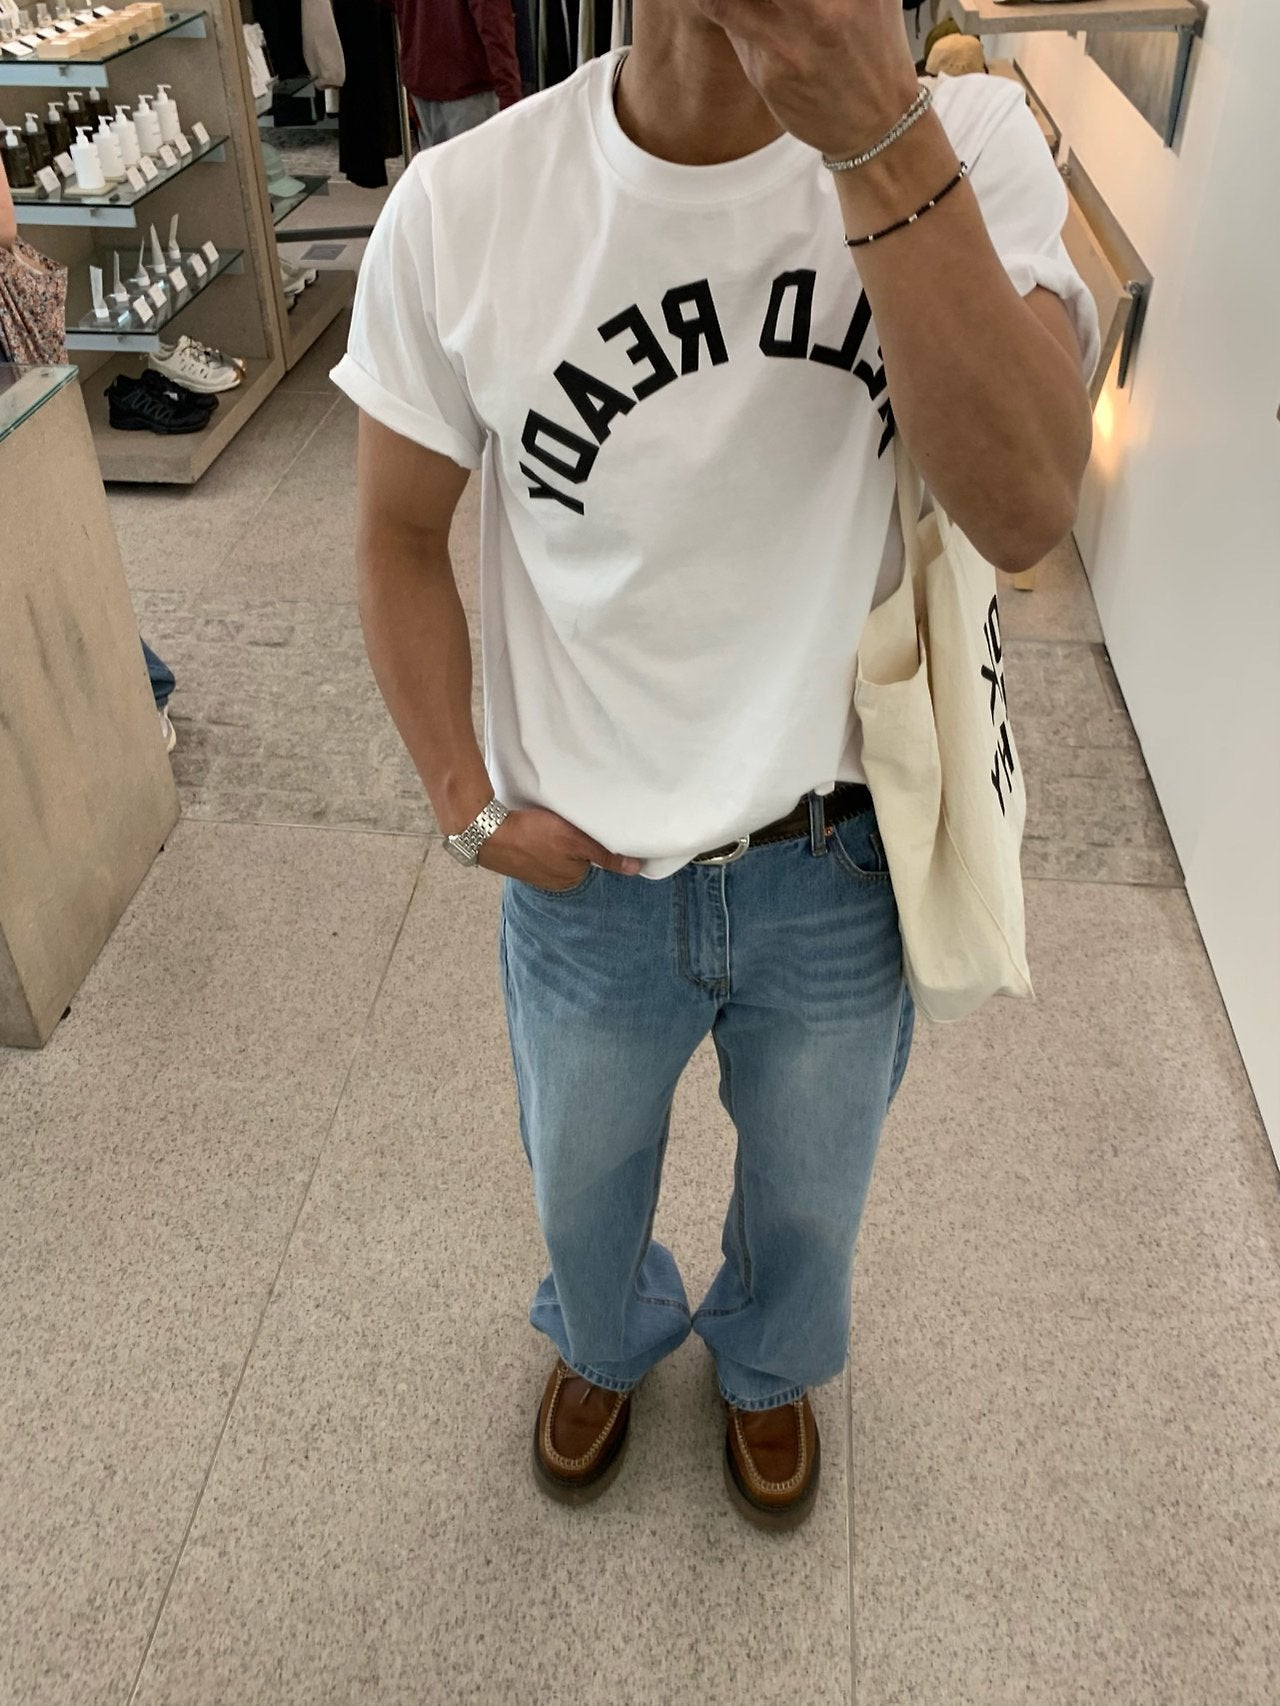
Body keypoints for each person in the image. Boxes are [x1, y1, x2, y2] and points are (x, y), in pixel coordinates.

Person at [333, 0, 1099, 1531]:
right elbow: (398, 532)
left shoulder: (972, 142)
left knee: (814, 1193)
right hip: (585, 871)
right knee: (581, 1182)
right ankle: (605, 1337)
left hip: (835, 849)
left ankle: (766, 1360)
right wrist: (463, 804)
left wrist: (878, 133)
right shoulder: (470, 205)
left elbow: (1026, 509)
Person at [387, 0, 522, 148]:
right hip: (470, 89)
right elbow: (494, 25)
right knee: (478, 159)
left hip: (422, 81)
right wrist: (510, 96)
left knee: (438, 160)